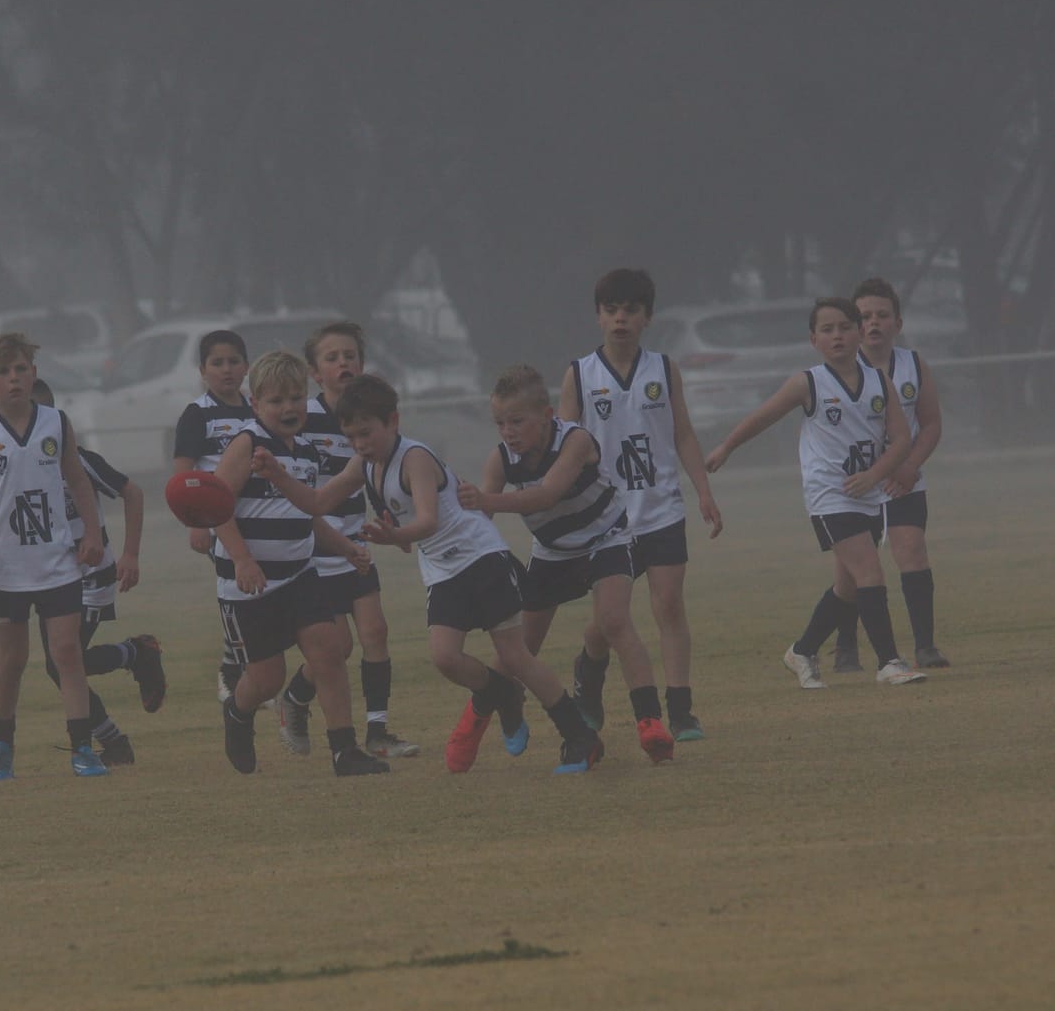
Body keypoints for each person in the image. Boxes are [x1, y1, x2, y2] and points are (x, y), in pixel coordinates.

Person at [259, 373, 604, 775]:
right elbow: (318, 501)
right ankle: (504, 695)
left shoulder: (415, 458)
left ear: (393, 421)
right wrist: (277, 476)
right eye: (351, 436)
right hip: (442, 569)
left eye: (367, 433)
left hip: (480, 557)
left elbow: (427, 520)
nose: (359, 444)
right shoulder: (364, 464)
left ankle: (579, 736)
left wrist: (393, 536)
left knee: (515, 655)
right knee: (444, 658)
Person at [702, 298, 929, 689]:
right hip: (830, 495)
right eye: (827, 330)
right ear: (814, 339)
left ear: (858, 332)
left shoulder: (879, 381)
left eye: (844, 326)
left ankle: (802, 651)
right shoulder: (808, 382)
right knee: (870, 573)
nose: (837, 335)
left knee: (849, 587)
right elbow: (763, 417)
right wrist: (726, 447)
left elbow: (902, 438)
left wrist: (875, 475)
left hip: (868, 495)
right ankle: (890, 661)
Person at [456, 364, 675, 764]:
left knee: (613, 621)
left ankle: (650, 723)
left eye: (517, 421)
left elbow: (547, 494)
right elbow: (477, 523)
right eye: (500, 422)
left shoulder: (576, 441)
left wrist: (485, 501)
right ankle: (474, 721)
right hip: (552, 553)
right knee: (517, 650)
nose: (508, 431)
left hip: (605, 540)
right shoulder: (501, 461)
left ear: (547, 414)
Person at [205, 351, 389, 778]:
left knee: (329, 651)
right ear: (255, 405)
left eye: (295, 398)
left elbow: (306, 515)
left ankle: (345, 751)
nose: (288, 408)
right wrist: (243, 559)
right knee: (267, 679)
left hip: (300, 574)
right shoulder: (247, 443)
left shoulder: (306, 452)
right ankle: (237, 711)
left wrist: (346, 547)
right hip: (246, 583)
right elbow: (217, 509)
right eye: (275, 401)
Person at [559, 268, 722, 743]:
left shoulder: (663, 368)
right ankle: (588, 677)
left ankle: (681, 710)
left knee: (669, 605)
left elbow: (683, 433)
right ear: (598, 317)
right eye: (611, 311)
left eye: (630, 310)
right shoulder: (580, 374)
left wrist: (704, 492)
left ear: (647, 318)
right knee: (605, 623)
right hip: (606, 520)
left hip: (661, 508)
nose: (620, 319)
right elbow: (564, 447)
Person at [0, 332, 111, 781]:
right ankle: (0, 744)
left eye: (21, 369)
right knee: (13, 658)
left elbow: (79, 482)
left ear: (34, 373)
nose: (14, 378)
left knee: (67, 651)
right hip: (4, 568)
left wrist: (92, 534)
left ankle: (83, 747)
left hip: (57, 561)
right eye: (3, 372)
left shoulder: (56, 423)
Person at [270, 321, 419, 761]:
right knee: (337, 648)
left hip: (355, 543)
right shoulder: (303, 419)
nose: (343, 364)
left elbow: (379, 473)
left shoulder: (368, 415)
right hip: (317, 549)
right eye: (332, 358)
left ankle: (377, 733)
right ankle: (294, 700)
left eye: (350, 355)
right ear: (315, 373)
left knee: (375, 631)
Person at [32, 376, 167, 766]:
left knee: (63, 664)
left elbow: (133, 493)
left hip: (91, 578)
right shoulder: (21, 470)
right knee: (61, 664)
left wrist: (131, 553)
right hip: (49, 578)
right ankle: (135, 654)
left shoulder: (80, 461)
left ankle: (114, 740)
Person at [829, 277, 951, 672]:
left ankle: (926, 647)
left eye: (882, 315)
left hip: (905, 480)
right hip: (857, 484)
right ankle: (845, 647)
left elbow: (931, 423)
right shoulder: (839, 372)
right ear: (853, 324)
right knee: (852, 572)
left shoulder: (913, 365)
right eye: (864, 317)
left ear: (897, 322)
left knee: (911, 550)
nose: (873, 323)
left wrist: (911, 465)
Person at [171, 329, 254, 704]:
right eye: (217, 363)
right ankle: (232, 670)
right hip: (218, 523)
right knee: (236, 593)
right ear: (203, 370)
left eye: (233, 362)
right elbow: (183, 474)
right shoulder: (197, 414)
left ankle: (245, 669)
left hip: (257, 519)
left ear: (246, 367)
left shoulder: (257, 411)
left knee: (256, 595)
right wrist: (195, 523)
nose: (226, 370)